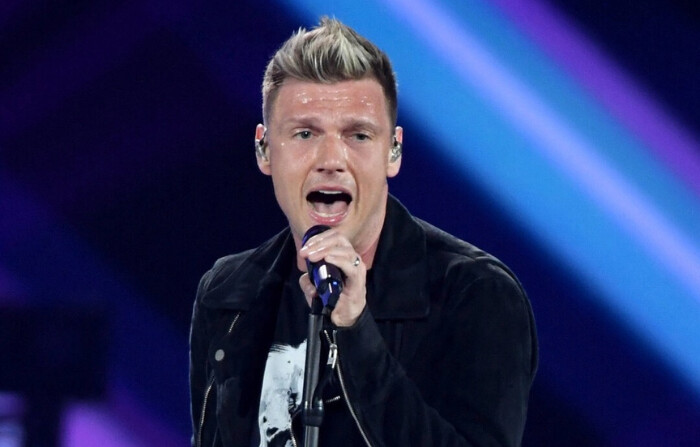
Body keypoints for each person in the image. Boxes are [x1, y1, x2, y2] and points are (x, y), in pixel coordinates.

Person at [189, 17, 537, 447]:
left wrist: (356, 330)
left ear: (393, 151)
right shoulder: (228, 293)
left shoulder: (475, 294)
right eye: (304, 133)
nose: (331, 158)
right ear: (264, 149)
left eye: (358, 135)